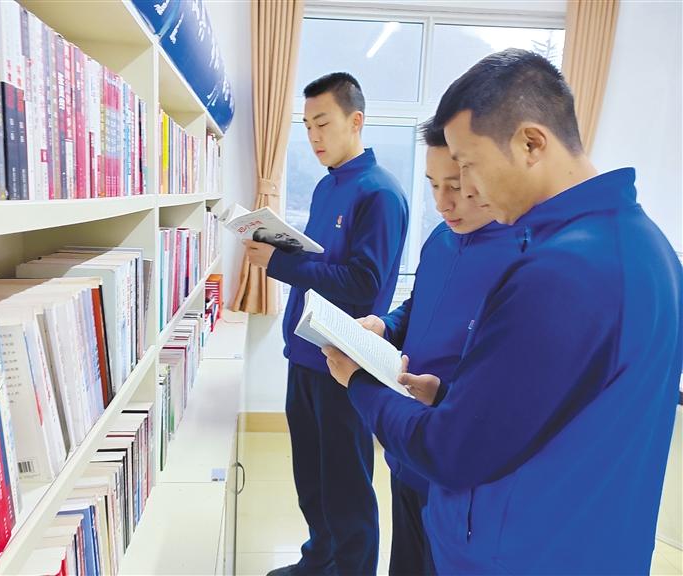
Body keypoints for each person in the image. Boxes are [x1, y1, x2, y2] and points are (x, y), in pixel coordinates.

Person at [323, 48, 682, 574]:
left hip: (522, 552)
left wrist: (359, 381)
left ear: (531, 143)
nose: (467, 189)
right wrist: (452, 396)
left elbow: (451, 451)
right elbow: (564, 407)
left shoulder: (561, 271)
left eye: (468, 166)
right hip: (589, 542)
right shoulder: (647, 246)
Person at [244, 72, 408, 576]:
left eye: (323, 123)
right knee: (311, 477)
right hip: (304, 354)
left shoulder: (380, 193)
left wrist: (279, 263)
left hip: (344, 363)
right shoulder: (325, 185)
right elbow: (322, 260)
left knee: (346, 484)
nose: (314, 136)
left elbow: (363, 284)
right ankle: (318, 560)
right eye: (307, 125)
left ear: (355, 121)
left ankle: (351, 569)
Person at [357, 118, 522, 576]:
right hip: (407, 444)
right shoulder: (440, 239)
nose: (442, 202)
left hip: (457, 463)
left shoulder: (523, 258)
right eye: (432, 185)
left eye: (455, 185)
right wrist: (385, 326)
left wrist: (444, 394)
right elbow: (418, 305)